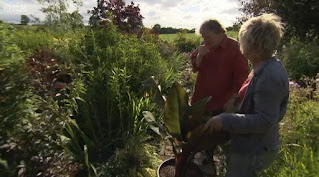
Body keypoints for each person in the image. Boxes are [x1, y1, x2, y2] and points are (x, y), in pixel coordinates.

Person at [204, 13, 289, 177]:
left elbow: (265, 120)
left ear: (251, 44)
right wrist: (236, 100)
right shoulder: (263, 66)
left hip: (253, 150)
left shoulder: (269, 76)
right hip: (247, 143)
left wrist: (225, 119)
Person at [190, 19, 249, 176]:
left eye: (207, 36)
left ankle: (217, 161)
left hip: (221, 100)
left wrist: (234, 97)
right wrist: (199, 57)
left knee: (217, 133)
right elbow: (195, 67)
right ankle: (202, 156)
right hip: (201, 97)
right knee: (200, 130)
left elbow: (242, 76)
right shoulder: (205, 46)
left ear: (220, 33)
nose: (204, 40)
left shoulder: (235, 48)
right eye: (202, 36)